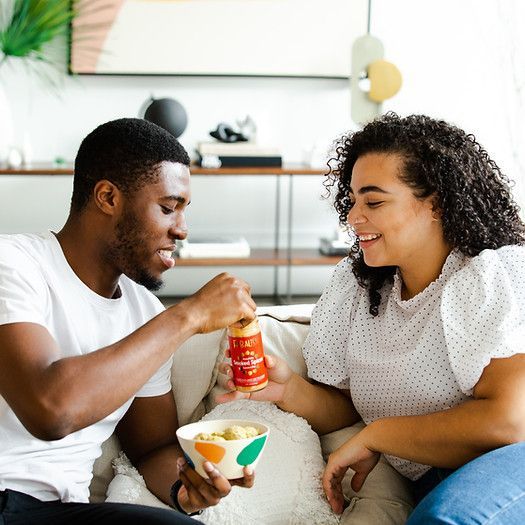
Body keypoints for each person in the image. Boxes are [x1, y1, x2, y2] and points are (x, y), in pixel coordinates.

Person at [218, 113, 525, 524]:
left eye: (374, 201)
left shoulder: (486, 278)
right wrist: (288, 389)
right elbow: (344, 406)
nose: (353, 216)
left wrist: (379, 435)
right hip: (437, 482)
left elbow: (508, 422)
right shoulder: (358, 289)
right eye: (353, 200)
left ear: (435, 203)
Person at [0, 118, 258, 524]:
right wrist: (190, 314)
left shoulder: (145, 314)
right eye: (168, 208)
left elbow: (153, 448)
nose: (182, 229)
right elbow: (49, 410)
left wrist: (187, 486)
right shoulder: (14, 263)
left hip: (62, 513)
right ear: (107, 196)